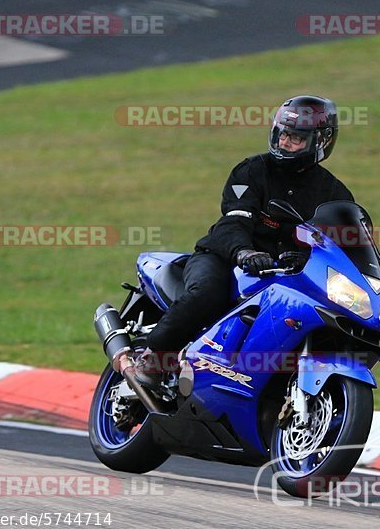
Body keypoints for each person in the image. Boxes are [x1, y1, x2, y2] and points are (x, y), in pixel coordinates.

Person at [135, 95, 355, 388]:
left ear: (321, 142)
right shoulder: (251, 171)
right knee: (207, 293)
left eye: (297, 138)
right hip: (225, 259)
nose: (285, 143)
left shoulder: (335, 194)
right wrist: (244, 252)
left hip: (285, 276)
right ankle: (153, 357)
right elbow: (233, 221)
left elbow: (345, 244)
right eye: (283, 134)